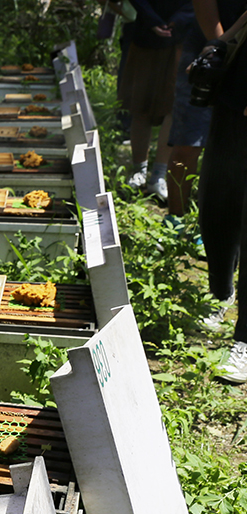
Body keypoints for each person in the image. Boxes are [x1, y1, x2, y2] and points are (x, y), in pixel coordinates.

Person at [192, 0, 247, 381]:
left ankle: (245, 340)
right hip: (235, 93)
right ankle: (221, 291)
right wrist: (220, 45)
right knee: (216, 201)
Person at [122, 0, 190, 198]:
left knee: (172, 109)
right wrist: (152, 20)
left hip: (181, 40)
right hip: (145, 36)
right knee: (140, 106)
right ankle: (139, 171)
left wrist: (176, 21)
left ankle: (158, 176)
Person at [165, 2, 213, 241]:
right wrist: (220, 45)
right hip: (202, 57)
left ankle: (211, 224)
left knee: (226, 153)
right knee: (188, 146)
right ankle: (176, 218)